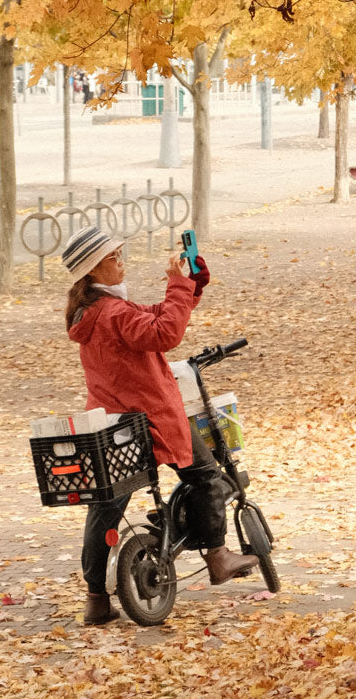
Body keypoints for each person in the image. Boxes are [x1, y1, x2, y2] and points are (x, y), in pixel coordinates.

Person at [61, 225, 258, 626]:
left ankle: (96, 600)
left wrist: (190, 285)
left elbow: (157, 316)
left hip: (113, 428)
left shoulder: (94, 311)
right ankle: (218, 557)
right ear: (93, 269)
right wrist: (175, 282)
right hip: (151, 420)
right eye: (114, 257)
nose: (122, 262)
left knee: (105, 510)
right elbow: (165, 333)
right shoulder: (113, 312)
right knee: (206, 476)